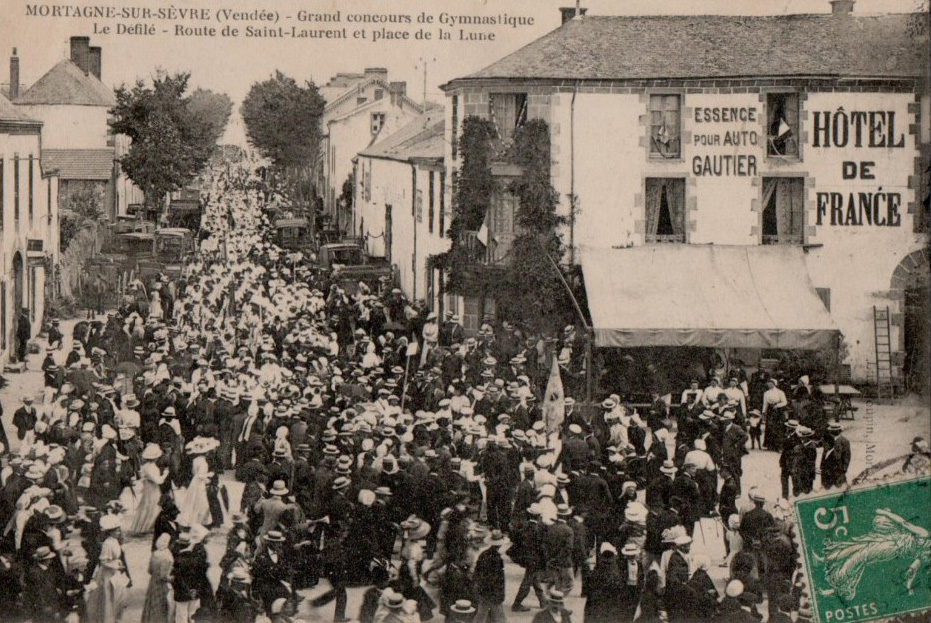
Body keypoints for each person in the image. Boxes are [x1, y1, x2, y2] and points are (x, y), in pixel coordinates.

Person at [85, 514, 130, 623]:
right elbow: (103, 561)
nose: (119, 532)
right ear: (110, 532)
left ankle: (114, 617)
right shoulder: (107, 543)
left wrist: (118, 563)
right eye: (117, 531)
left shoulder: (114, 541)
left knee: (117, 595)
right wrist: (116, 565)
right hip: (107, 574)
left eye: (119, 530)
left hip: (114, 572)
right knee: (108, 596)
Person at [131, 444, 168, 535]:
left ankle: (149, 526)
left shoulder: (146, 466)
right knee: (154, 506)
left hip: (148, 488)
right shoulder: (151, 467)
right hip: (152, 488)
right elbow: (158, 480)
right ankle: (147, 527)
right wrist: (165, 474)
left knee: (148, 506)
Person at [584, 542, 625, 623]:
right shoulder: (615, 570)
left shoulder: (596, 570)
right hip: (611, 608)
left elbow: (588, 589)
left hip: (596, 607)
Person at [141, 533, 175, 623]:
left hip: (153, 582)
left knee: (151, 605)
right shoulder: (167, 556)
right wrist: (174, 578)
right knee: (161, 607)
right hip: (162, 586)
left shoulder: (155, 554)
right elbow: (163, 576)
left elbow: (149, 570)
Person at [820, 422, 850, 489]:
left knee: (839, 488)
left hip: (838, 470)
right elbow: (824, 454)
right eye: (832, 431)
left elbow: (847, 457)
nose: (833, 432)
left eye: (835, 431)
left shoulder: (844, 441)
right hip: (826, 470)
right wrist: (822, 466)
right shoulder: (828, 440)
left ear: (839, 431)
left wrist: (844, 470)